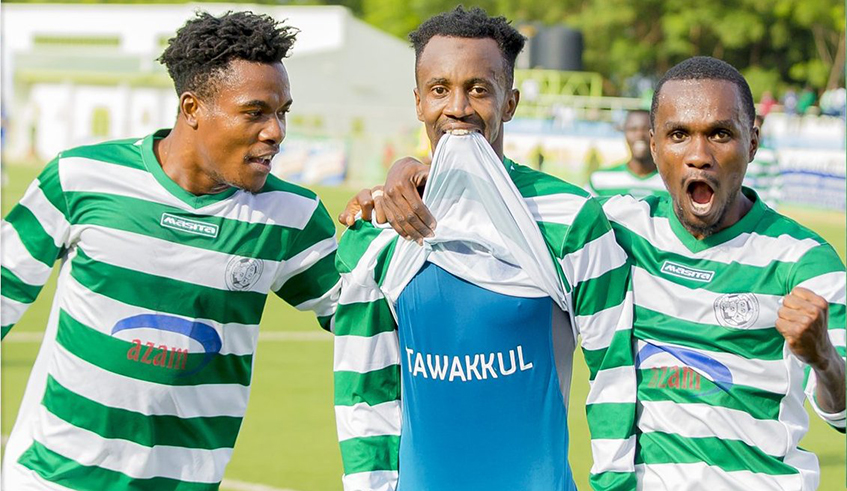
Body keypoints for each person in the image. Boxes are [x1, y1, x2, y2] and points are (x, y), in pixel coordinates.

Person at [347, 56, 846, 489]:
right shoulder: (615, 228)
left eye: (721, 133)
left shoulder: (804, 262)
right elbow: (498, 199)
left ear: (752, 141)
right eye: (679, 135)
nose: (699, 154)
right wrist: (413, 172)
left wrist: (823, 359)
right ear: (652, 147)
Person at [1, 11, 340, 490]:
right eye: (255, 112)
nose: (276, 131)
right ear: (192, 108)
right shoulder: (80, 179)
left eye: (282, 111)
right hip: (49, 479)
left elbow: (367, 315)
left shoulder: (291, 217)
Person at [333, 7, 636, 491]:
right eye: (439, 89)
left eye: (479, 88)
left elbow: (614, 371)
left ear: (510, 102)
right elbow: (362, 394)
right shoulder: (378, 229)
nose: (458, 107)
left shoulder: (570, 218)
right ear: (417, 102)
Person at [586, 109, 668, 198]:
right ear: (624, 132)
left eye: (647, 129)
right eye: (633, 129)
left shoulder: (672, 181)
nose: (640, 135)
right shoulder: (599, 179)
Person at [741, 114, 781, 209]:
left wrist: (770, 206)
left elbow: (776, 183)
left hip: (761, 208)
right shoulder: (735, 153)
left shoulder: (768, 155)